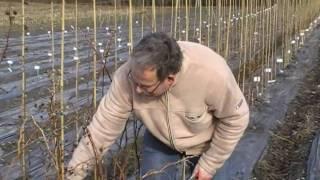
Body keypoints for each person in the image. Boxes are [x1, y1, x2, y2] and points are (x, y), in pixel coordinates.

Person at [66, 32, 249, 180]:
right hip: (160, 139)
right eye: (134, 80)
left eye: (145, 86)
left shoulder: (211, 74)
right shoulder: (127, 76)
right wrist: (73, 175)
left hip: (207, 142)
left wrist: (209, 165)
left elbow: (235, 118)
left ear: (169, 79)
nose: (136, 89)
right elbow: (101, 130)